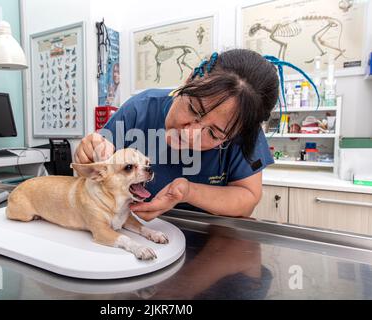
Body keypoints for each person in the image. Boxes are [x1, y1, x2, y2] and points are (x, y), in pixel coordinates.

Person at [75, 49, 279, 220]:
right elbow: (94, 170)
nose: (190, 134)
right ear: (189, 79)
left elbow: (248, 198)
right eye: (193, 108)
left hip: (210, 239)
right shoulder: (139, 110)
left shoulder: (243, 130)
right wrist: (89, 152)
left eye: (213, 133)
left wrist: (188, 192)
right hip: (132, 227)